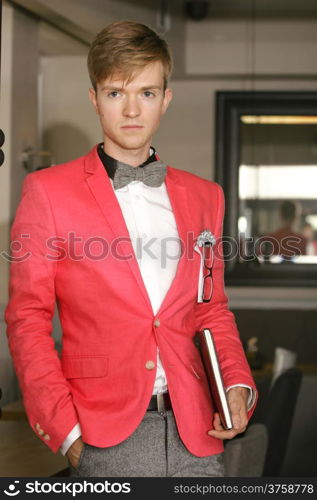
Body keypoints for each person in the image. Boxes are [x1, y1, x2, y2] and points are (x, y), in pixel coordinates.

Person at [5, 21, 256, 477]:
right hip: (104, 435)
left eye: (147, 92)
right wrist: (66, 431)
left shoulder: (206, 196)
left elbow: (211, 308)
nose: (132, 110)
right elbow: (27, 317)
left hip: (198, 433)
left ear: (166, 100)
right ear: (95, 99)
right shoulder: (47, 192)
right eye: (116, 93)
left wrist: (235, 383)